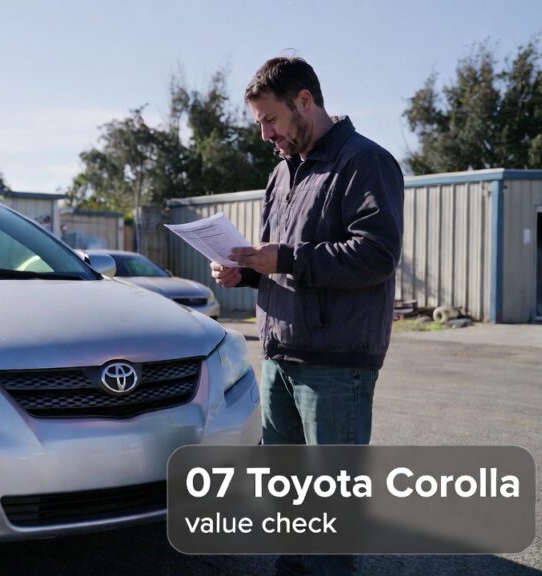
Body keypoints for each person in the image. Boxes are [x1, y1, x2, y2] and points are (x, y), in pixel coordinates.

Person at [210, 57, 403, 576]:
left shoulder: (366, 162)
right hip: (278, 354)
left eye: (270, 120)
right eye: (259, 124)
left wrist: (287, 259)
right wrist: (246, 273)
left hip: (336, 363)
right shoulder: (280, 173)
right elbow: (280, 259)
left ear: (304, 101)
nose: (266, 134)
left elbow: (376, 254)